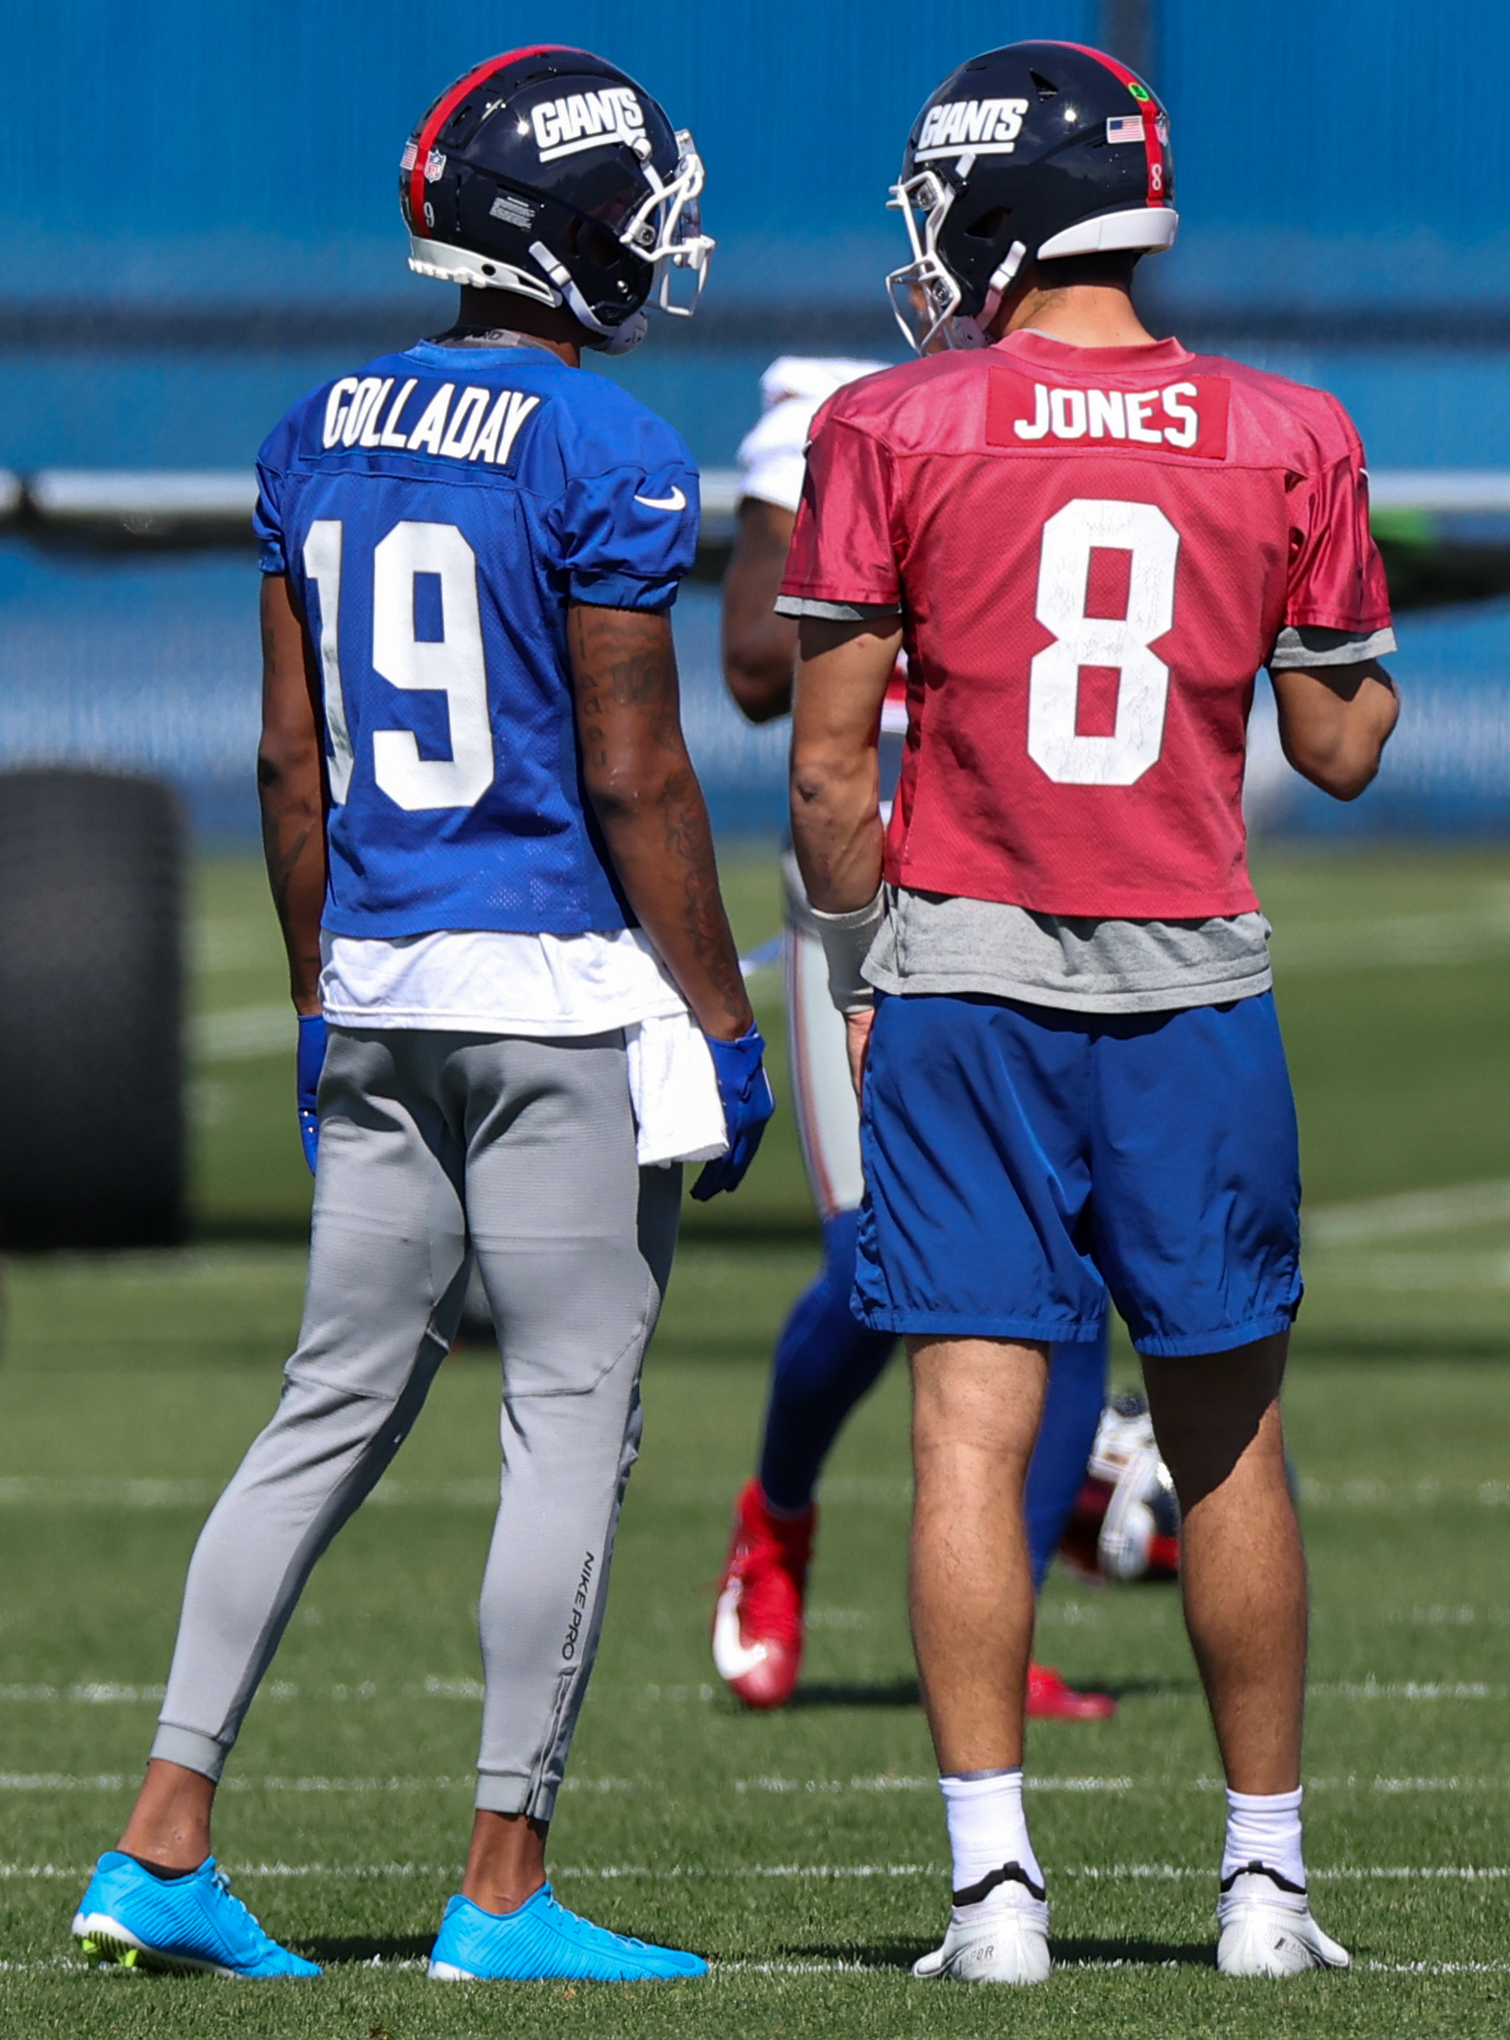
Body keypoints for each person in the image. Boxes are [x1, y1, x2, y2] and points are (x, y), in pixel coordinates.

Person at [71, 46, 772, 1986]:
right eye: (637, 195)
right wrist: (719, 1021)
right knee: (568, 1420)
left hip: (377, 975)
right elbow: (637, 772)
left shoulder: (311, 432)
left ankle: (162, 1835)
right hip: (547, 987)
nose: (659, 230)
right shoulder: (605, 448)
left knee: (323, 1412)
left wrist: (320, 1002)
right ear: (566, 227)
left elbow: (291, 765)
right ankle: (498, 1887)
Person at [783, 40, 1398, 1985]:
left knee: (968, 1436)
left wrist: (859, 959)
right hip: (1185, 982)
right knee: (1225, 1442)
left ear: (994, 199)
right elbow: (1341, 742)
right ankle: (1260, 1893)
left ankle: (991, 1900)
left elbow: (818, 772)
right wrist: (1347, 660)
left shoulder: (890, 422)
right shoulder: (1284, 427)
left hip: (962, 974)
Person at [712, 356, 1114, 1721]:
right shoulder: (838, 405)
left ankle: (1005, 1616)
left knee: (1069, 1259)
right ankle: (775, 1520)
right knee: (871, 1257)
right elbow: (756, 664)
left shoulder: (1084, 388)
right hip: (862, 880)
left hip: (1036, 866)